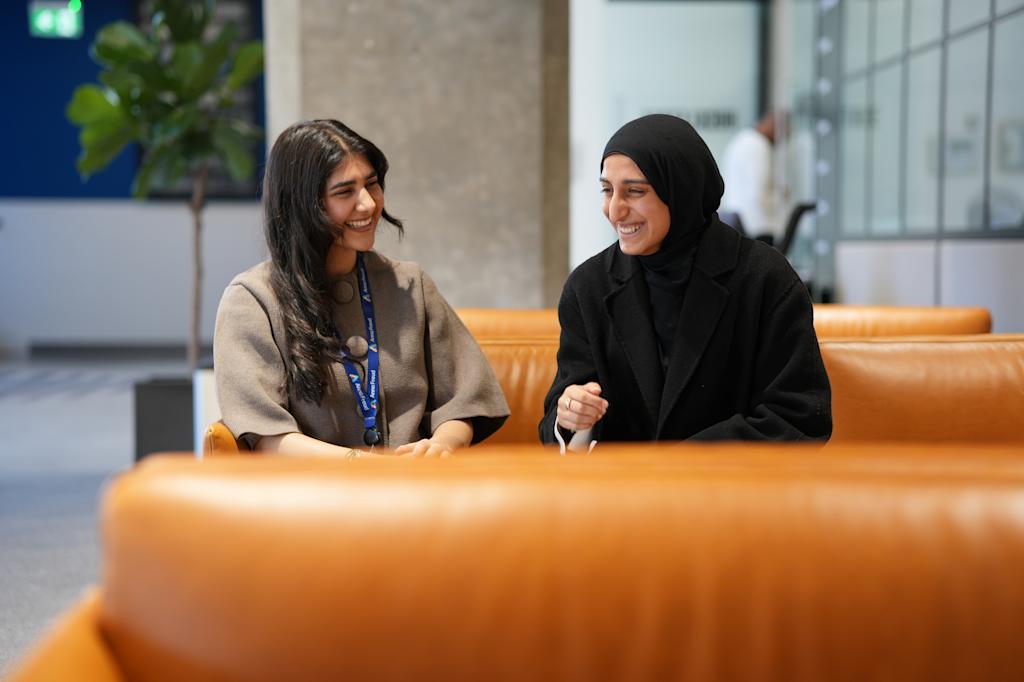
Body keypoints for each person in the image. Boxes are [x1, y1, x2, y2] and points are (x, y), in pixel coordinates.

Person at [214, 119, 509, 458]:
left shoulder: (410, 285)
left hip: (417, 492)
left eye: (372, 184)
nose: (368, 204)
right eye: (345, 192)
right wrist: (360, 466)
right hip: (313, 500)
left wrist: (440, 446)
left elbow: (465, 401)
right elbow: (267, 435)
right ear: (303, 204)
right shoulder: (253, 300)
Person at [538, 114, 831, 446]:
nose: (614, 210)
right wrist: (573, 417)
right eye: (607, 190)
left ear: (680, 190)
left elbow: (797, 416)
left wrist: (675, 467)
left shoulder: (763, 278)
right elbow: (559, 420)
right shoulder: (589, 287)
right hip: (621, 493)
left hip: (734, 491)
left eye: (634, 191)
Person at [720, 111, 780, 243]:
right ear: (773, 124)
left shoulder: (741, 140)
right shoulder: (759, 145)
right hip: (757, 225)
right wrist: (779, 197)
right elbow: (759, 191)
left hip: (737, 220)